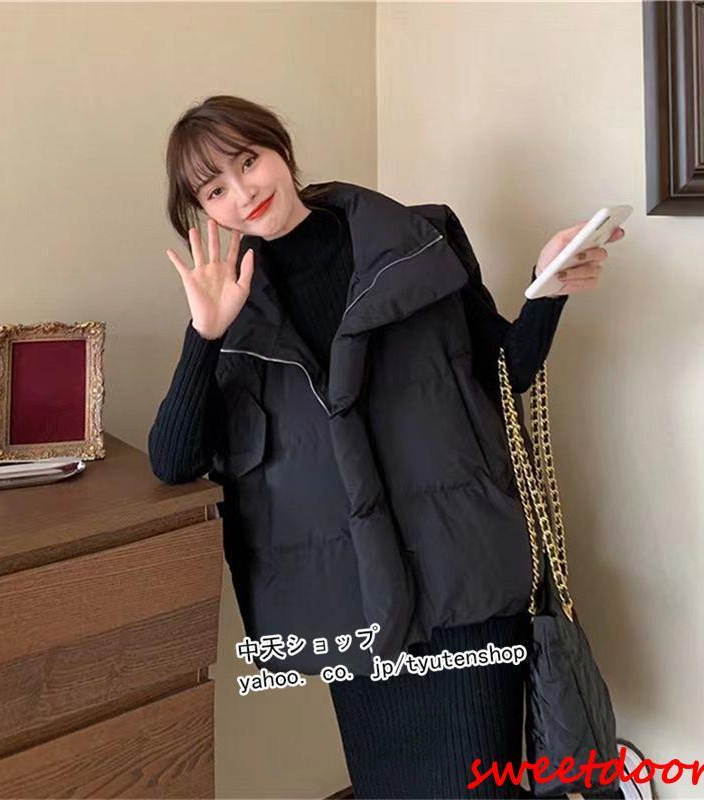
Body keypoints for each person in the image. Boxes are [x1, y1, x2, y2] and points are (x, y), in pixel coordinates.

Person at [148, 94, 624, 799]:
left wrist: (546, 290)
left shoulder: (416, 241)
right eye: (214, 190)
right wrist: (205, 335)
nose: (242, 193)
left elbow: (504, 371)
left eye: (248, 162)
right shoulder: (233, 308)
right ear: (202, 213)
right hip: (350, 608)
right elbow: (174, 459)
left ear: (280, 150)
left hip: (461, 574)